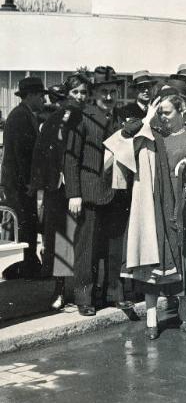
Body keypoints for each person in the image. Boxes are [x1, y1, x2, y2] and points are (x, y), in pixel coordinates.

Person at [119, 90, 186, 339]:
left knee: (185, 259)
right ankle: (151, 320)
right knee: (155, 260)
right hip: (156, 203)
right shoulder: (153, 136)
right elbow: (126, 142)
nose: (163, 117)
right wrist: (148, 117)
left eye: (167, 112)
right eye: (160, 112)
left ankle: (184, 315)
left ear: (182, 112)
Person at [64, 66, 132, 316]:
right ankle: (85, 297)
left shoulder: (119, 121)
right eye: (104, 91)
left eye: (113, 92)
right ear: (94, 94)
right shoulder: (81, 118)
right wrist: (74, 193)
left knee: (114, 248)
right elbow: (71, 159)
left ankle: (114, 294)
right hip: (90, 193)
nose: (109, 97)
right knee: (88, 249)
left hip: (116, 193)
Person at [31, 73, 89, 307]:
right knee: (61, 239)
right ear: (67, 94)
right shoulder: (55, 120)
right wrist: (43, 189)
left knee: (81, 240)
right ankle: (60, 289)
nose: (80, 97)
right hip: (58, 189)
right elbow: (42, 155)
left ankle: (83, 289)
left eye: (84, 92)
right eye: (75, 92)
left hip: (83, 187)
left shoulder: (88, 118)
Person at [1, 77, 48, 270]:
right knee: (24, 223)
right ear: (30, 96)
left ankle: (28, 263)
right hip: (19, 184)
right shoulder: (21, 116)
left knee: (26, 222)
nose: (43, 101)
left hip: (19, 182)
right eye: (40, 96)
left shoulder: (25, 114)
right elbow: (21, 154)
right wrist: (29, 182)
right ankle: (24, 265)